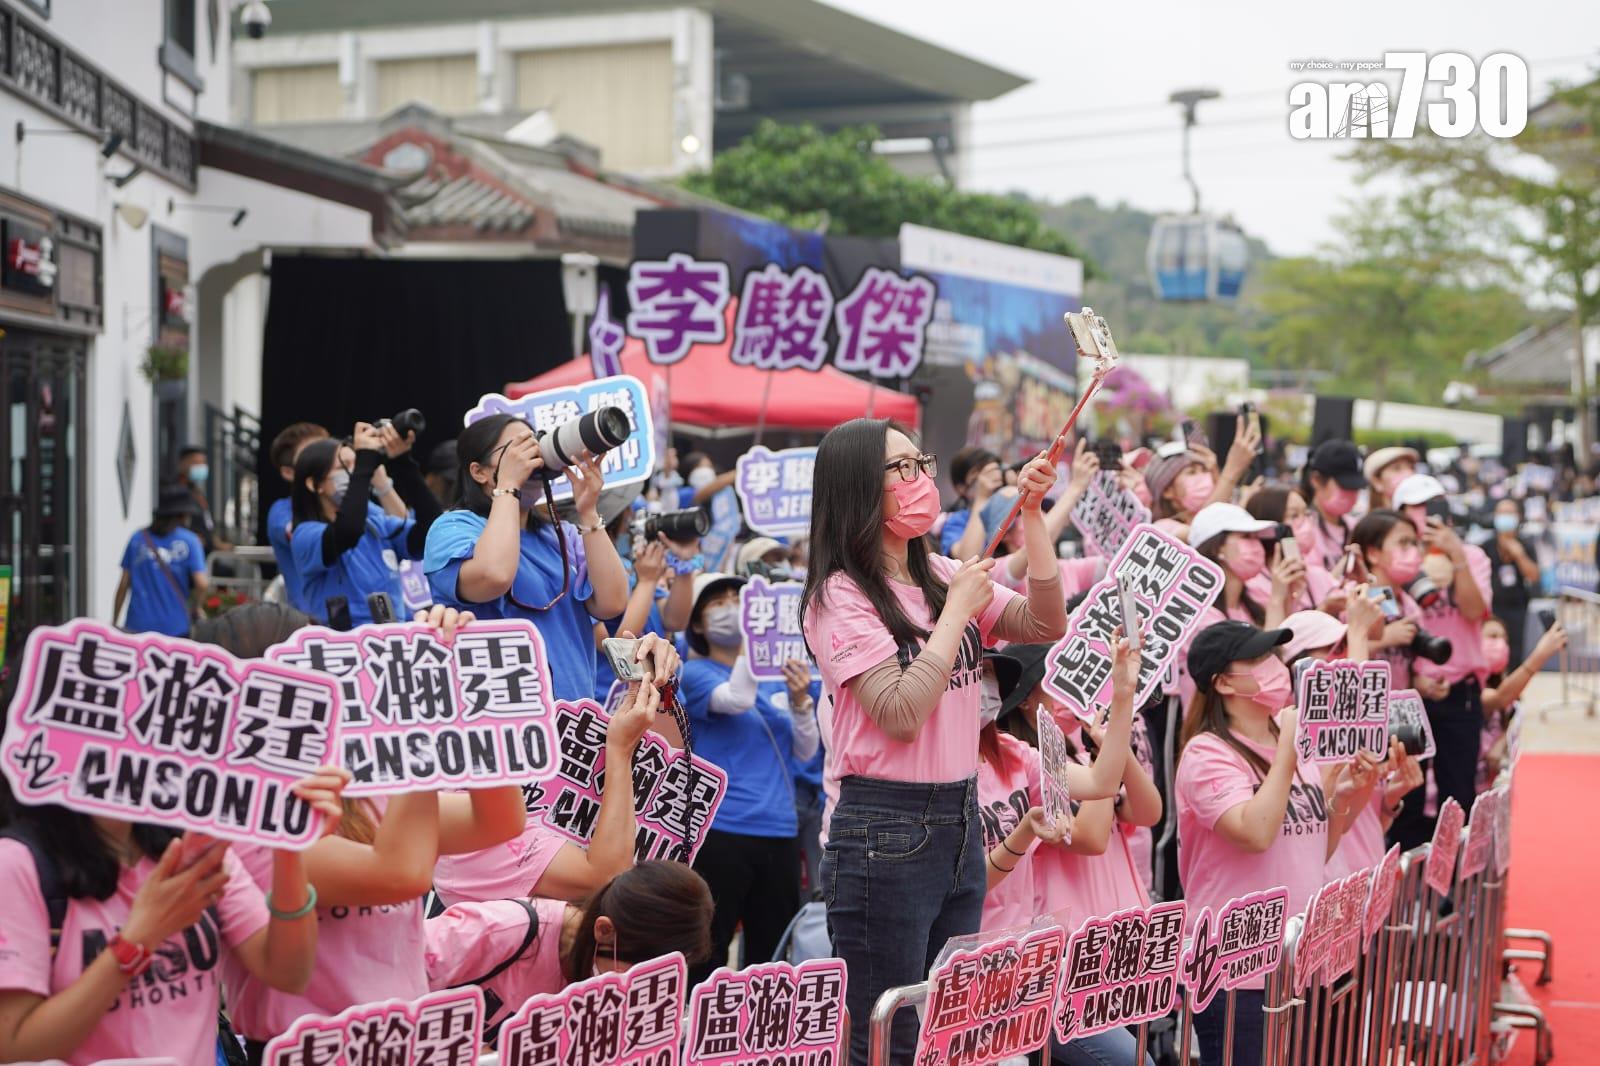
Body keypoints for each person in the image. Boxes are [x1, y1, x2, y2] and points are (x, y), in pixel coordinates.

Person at [800, 417, 1091, 1066]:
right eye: (899, 468)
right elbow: (900, 712)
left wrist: (1035, 518)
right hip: (885, 826)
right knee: (887, 1033)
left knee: (941, 1022)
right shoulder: (839, 595)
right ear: (855, 487)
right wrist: (956, 610)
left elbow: (1045, 620)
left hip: (959, 814)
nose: (919, 479)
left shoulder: (936, 569)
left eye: (920, 462)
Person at [0, 753, 345, 1063]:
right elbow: (15, 1048)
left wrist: (287, 849)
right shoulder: (17, 865)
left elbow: (288, 971)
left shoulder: (191, 840)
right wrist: (138, 940)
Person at [1176, 621, 1378, 1066]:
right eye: (1259, 659)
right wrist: (1288, 745)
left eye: (1274, 657)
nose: (1275, 668)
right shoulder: (1207, 754)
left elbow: (1313, 851)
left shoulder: (1292, 747)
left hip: (1300, 960)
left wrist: (1348, 797)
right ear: (1224, 683)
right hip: (1238, 972)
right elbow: (1255, 832)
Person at [987, 644, 1160, 1066]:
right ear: (1028, 699)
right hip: (1070, 946)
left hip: (1119, 935)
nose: (1073, 693)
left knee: (1134, 1047)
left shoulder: (1075, 753)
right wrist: (1101, 755)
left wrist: (1106, 751)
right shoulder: (1030, 762)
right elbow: (1091, 836)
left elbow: (1149, 810)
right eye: (1059, 682)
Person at [423, 413, 644, 703]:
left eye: (534, 447)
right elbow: (494, 576)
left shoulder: (561, 535)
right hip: (503, 714)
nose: (532, 459)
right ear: (479, 472)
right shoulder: (454, 527)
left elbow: (612, 602)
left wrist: (589, 511)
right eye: (516, 450)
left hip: (572, 715)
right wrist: (509, 486)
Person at [680, 572, 819, 981]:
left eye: (737, 598)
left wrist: (798, 702)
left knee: (769, 954)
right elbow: (736, 700)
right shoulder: (697, 672)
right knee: (708, 948)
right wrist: (753, 640)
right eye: (717, 602)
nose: (731, 607)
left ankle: (757, 1043)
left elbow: (805, 751)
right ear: (699, 624)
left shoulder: (778, 677)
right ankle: (697, 1037)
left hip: (778, 829)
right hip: (721, 827)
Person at [424, 862, 714, 1031]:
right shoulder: (503, 929)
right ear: (604, 931)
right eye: (637, 970)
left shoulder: (634, 997)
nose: (639, 988)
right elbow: (389, 984)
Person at [1388, 475, 1491, 847]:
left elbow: (1475, 610)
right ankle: (1402, 893)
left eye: (1434, 505)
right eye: (1416, 507)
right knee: (1406, 795)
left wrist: (1456, 556)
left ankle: (1450, 890)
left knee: (1458, 794)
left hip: (1459, 691)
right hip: (1405, 694)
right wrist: (1417, 678)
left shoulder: (1473, 556)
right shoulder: (1394, 560)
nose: (1427, 515)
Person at [291, 424, 441, 628]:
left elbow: (431, 533)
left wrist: (403, 462)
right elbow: (347, 531)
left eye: (357, 464)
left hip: (391, 639)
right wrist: (364, 463)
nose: (356, 472)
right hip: (342, 646)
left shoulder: (376, 522)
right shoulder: (305, 535)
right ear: (314, 484)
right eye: (344, 466)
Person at [1479, 616, 1566, 791]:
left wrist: (1502, 742)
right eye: (1492, 636)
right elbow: (1499, 698)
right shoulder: (1467, 685)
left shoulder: (1504, 684)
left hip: (1494, 786)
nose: (1500, 644)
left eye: (1504, 639)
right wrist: (1540, 655)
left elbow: (1508, 718)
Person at [1190, 502, 1306, 630]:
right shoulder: (1204, 615)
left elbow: (1285, 643)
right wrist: (1276, 599)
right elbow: (1269, 649)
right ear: (1217, 548)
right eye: (1246, 537)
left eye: (1256, 537)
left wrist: (1288, 597)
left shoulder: (1251, 603)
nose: (1256, 545)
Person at [114, 484, 208, 637]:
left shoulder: (137, 539)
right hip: (175, 627)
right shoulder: (190, 541)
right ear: (182, 515)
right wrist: (196, 607)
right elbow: (202, 584)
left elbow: (124, 584)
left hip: (137, 626)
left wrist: (114, 621)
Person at [1245, 484, 1343, 615]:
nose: (1306, 521)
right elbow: (1276, 632)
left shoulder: (1317, 575)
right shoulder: (1254, 586)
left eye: (1306, 513)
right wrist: (1324, 610)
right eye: (1294, 515)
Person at [1480, 498, 1541, 664]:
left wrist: (1519, 555)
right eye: (1501, 513)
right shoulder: (1486, 546)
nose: (1505, 517)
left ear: (1519, 517)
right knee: (1489, 651)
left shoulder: (1526, 545)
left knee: (1515, 653)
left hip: (1517, 608)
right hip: (1491, 609)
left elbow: (1534, 576)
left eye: (1509, 513)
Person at [1300, 440, 1367, 572]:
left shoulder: (1356, 528)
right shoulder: (1303, 529)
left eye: (1355, 487)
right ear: (1316, 480)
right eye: (1344, 486)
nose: (1351, 493)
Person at [941, 446, 1003, 558]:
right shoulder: (956, 521)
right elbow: (967, 558)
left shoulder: (1012, 510)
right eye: (978, 475)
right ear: (961, 488)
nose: (989, 481)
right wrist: (982, 497)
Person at [177, 444, 231, 556]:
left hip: (204, 553)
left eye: (203, 463)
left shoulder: (196, 492)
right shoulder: (178, 492)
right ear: (183, 464)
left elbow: (206, 523)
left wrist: (216, 542)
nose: (202, 467)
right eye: (196, 463)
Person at [1364, 446, 1419, 512]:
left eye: (1411, 468)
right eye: (1397, 468)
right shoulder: (1370, 521)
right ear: (1377, 481)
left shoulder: (1427, 520)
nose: (1409, 473)